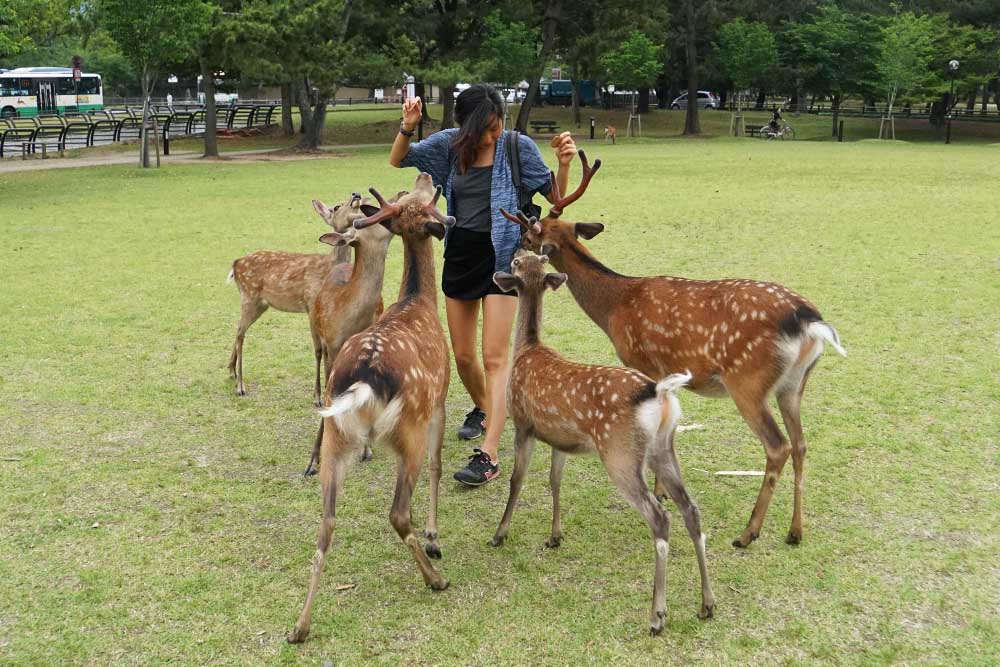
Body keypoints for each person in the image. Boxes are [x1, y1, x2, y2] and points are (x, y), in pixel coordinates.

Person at [389, 84, 577, 486]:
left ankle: (489, 454)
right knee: (461, 356)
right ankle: (486, 409)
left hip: (503, 258)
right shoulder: (447, 147)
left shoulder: (516, 147)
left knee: (494, 356)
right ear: (468, 126)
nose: (494, 135)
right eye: (487, 129)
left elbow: (556, 198)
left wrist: (562, 164)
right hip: (460, 255)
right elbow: (398, 159)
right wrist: (407, 127)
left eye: (497, 126)